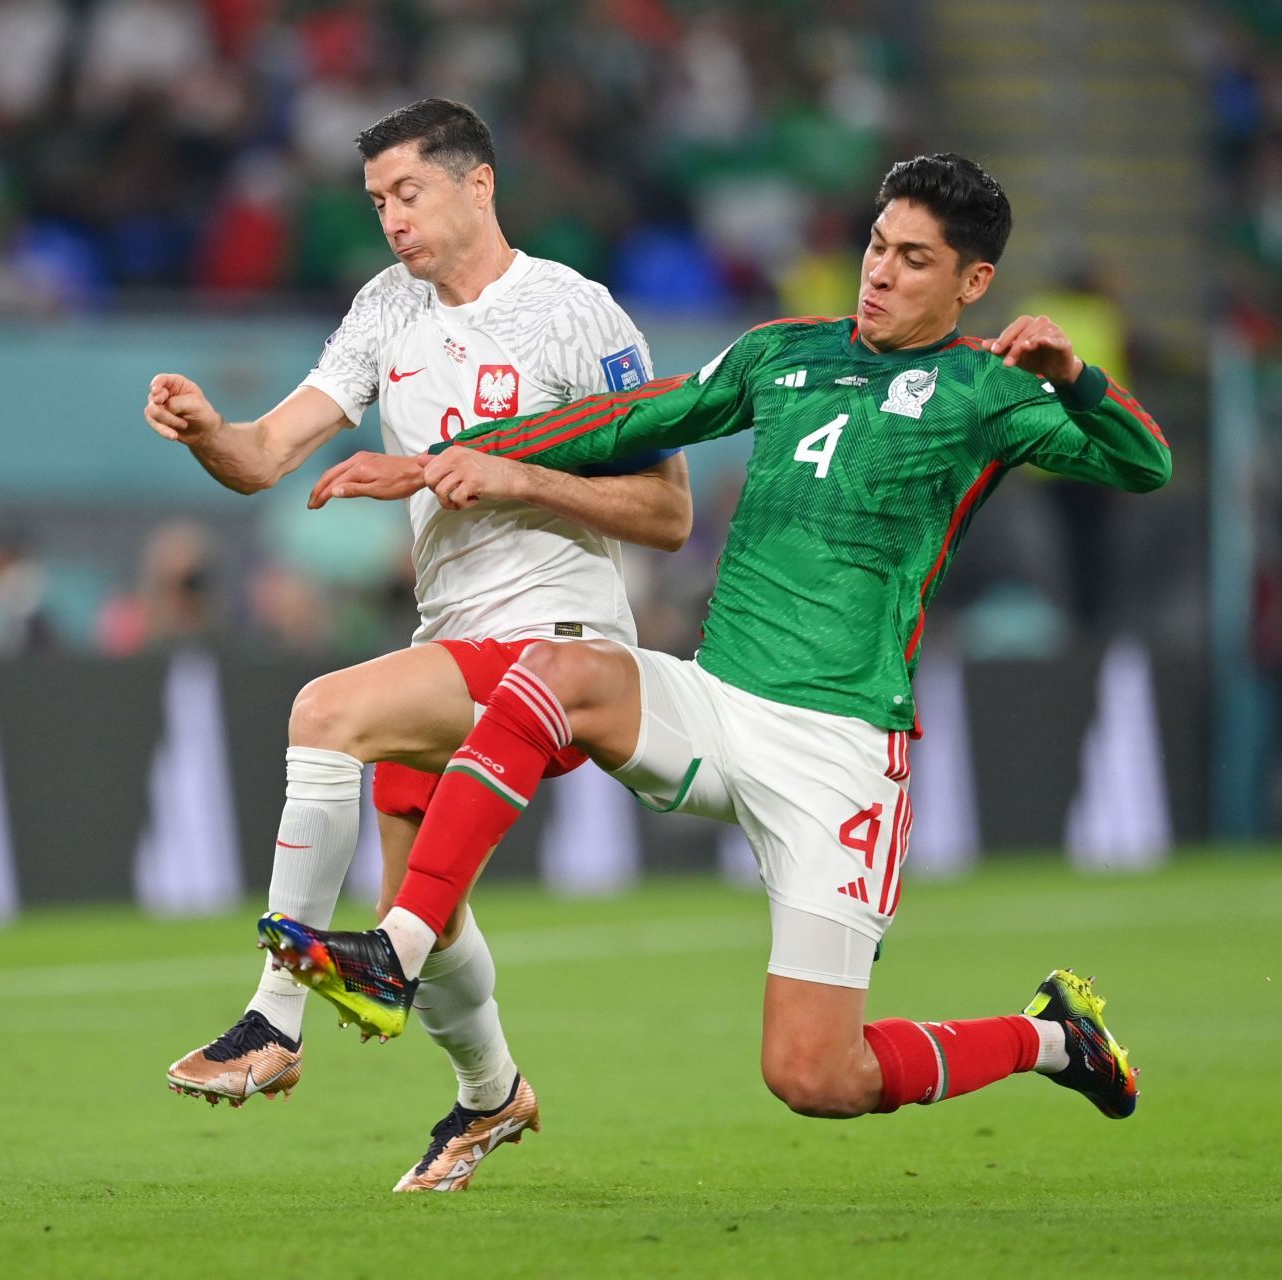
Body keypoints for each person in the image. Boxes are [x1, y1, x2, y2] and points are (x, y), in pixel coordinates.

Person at [263, 153, 1169, 1129]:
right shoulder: (780, 353)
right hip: (719, 698)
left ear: (972, 281)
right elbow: (627, 417)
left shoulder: (984, 387)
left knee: (818, 1075)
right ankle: (397, 947)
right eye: (876, 245)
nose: (879, 271)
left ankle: (1054, 1038)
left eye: (913, 259)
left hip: (843, 749)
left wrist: (1077, 376)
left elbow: (1143, 462)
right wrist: (445, 460)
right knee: (556, 669)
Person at [142, 98, 692, 1190]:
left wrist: (519, 472)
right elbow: (265, 456)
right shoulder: (386, 309)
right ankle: (492, 1095)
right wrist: (212, 431)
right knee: (427, 923)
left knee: (323, 710)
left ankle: (273, 1018)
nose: (391, 219)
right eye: (377, 201)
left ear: (477, 184)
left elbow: (668, 510)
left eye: (409, 192)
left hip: (558, 644)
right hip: (453, 639)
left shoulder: (576, 313)